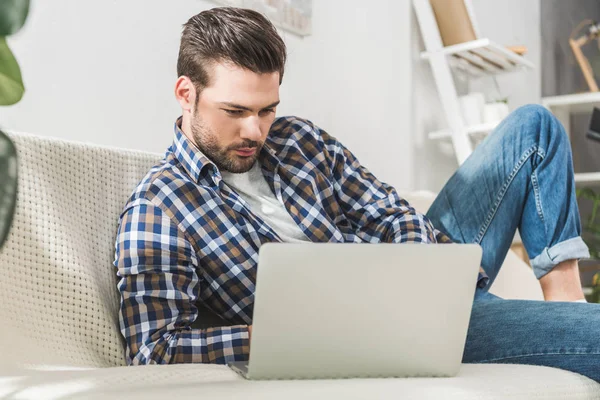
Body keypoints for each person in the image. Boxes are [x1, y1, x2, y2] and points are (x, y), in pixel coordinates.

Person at [113, 7, 599, 382]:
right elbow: (156, 349)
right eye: (235, 110)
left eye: (266, 110)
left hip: (423, 279)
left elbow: (387, 210)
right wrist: (276, 337)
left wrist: (428, 265)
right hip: (387, 335)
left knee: (532, 128)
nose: (253, 130)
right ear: (185, 93)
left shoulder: (296, 139)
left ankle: (564, 302)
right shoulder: (159, 210)